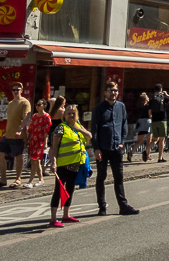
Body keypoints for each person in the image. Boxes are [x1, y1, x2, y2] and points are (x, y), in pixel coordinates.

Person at [91, 82, 139, 217]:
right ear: (105, 93)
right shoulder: (99, 108)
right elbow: (94, 129)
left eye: (115, 90)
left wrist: (122, 142)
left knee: (119, 177)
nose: (113, 93)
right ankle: (102, 207)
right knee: (101, 177)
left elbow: (124, 124)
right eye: (111, 91)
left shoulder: (121, 106)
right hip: (103, 147)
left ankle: (123, 206)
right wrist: (96, 148)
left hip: (116, 147)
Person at [46, 105, 91, 227]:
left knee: (70, 189)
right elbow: (54, 147)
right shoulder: (61, 128)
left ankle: (66, 215)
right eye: (68, 113)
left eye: (73, 113)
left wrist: (79, 128)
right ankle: (53, 218)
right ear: (64, 116)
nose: (71, 116)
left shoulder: (77, 127)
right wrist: (53, 162)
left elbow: (89, 136)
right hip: (62, 165)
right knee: (58, 191)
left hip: (75, 164)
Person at [0, 83, 31, 189]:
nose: (15, 91)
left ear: (21, 90)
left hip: (18, 136)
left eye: (17, 89)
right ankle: (3, 179)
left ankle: (18, 179)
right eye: (14, 90)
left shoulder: (25, 103)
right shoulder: (10, 103)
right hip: (7, 134)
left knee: (18, 156)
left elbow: (26, 118)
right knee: (0, 154)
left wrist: (20, 130)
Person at [24, 99, 51, 188]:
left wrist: (45, 143)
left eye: (39, 105)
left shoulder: (46, 117)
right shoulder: (34, 116)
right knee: (35, 161)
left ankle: (30, 181)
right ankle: (41, 180)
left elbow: (46, 131)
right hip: (33, 140)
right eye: (36, 105)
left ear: (44, 106)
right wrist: (28, 139)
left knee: (35, 160)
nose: (37, 106)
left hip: (40, 141)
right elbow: (31, 128)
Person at [149, 84, 169, 162]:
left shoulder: (152, 99)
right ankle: (160, 158)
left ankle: (147, 150)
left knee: (155, 139)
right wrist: (167, 94)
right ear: (161, 90)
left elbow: (150, 111)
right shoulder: (163, 98)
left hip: (154, 121)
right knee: (162, 140)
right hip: (162, 120)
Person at [128, 92, 152, 162]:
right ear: (145, 100)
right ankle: (147, 155)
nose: (148, 98)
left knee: (139, 141)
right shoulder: (148, 107)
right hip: (147, 122)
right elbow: (150, 115)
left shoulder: (139, 107)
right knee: (149, 141)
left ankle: (131, 152)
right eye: (147, 97)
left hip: (140, 122)